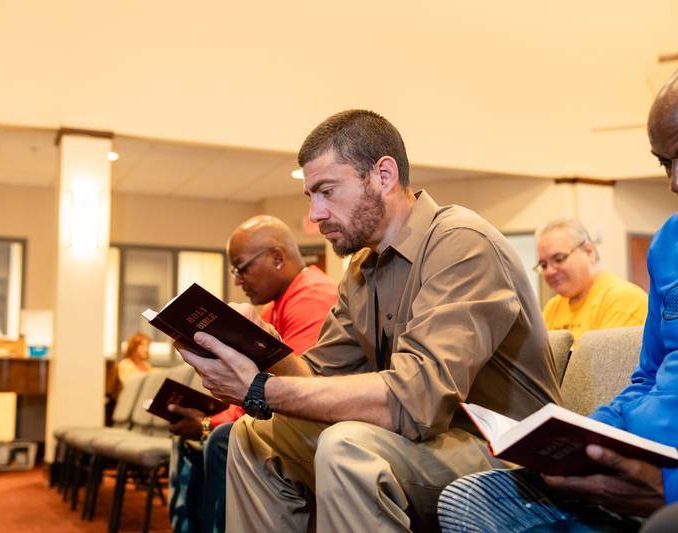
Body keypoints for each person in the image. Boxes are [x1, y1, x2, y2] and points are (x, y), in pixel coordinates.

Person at [176, 110, 562, 531]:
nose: (316, 215)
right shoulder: (362, 269)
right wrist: (261, 345)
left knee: (348, 448)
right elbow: (316, 378)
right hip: (430, 441)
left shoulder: (462, 243)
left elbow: (416, 400)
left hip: (511, 454)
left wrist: (260, 389)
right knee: (253, 438)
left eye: (326, 191)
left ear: (383, 174)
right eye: (311, 196)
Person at [437, 70, 678, 532]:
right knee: (470, 497)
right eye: (664, 163)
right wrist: (585, 436)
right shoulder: (667, 244)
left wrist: (668, 486)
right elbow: (647, 376)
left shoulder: (618, 298)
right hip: (623, 466)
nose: (673, 183)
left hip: (665, 491)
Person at [168, 215, 338, 533]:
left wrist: (209, 425)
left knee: (223, 438)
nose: (237, 280)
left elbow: (292, 389)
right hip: (289, 416)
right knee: (198, 438)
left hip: (320, 424)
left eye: (241, 267)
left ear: (276, 258)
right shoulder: (275, 307)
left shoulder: (312, 297)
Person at [535, 217, 647, 344]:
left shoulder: (624, 300)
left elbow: (607, 362)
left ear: (589, 252)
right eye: (543, 265)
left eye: (559, 259)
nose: (549, 271)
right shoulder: (553, 307)